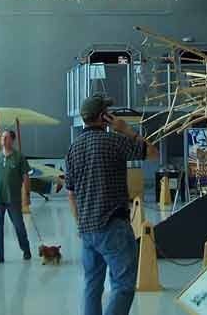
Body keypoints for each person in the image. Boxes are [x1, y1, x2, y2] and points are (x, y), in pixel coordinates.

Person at [65, 94, 158, 315]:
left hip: (87, 229)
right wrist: (126, 129)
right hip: (112, 225)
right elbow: (154, 153)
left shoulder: (73, 148)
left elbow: (70, 193)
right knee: (123, 286)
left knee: (92, 286)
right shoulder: (115, 141)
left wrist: (81, 223)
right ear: (103, 117)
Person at [0, 130, 32, 264]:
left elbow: (26, 177)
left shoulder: (19, 157)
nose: (3, 140)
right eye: (2, 137)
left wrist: (27, 195)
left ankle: (26, 249)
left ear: (12, 140)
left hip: (13, 199)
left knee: (19, 226)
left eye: (6, 137)